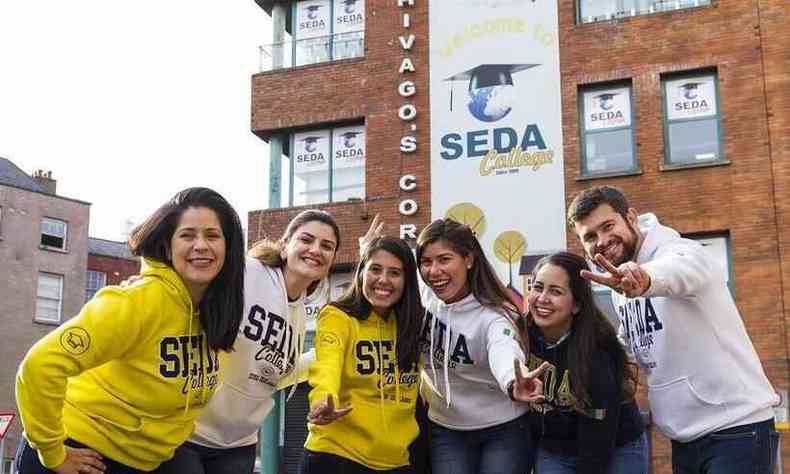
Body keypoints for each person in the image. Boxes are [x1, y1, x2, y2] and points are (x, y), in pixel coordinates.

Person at [15, 187, 246, 474]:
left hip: (143, 460)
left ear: (228, 246)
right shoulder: (139, 301)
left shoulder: (214, 312)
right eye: (187, 235)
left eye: (212, 235)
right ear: (168, 245)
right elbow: (39, 366)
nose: (201, 245)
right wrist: (52, 453)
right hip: (81, 453)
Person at [568, 185, 779, 474]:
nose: (602, 241)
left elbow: (682, 269)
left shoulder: (678, 251)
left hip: (737, 430)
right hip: (684, 438)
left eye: (607, 226)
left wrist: (645, 278)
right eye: (590, 236)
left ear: (630, 217)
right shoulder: (618, 283)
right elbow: (632, 345)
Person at [155, 210, 340, 474]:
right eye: (306, 240)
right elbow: (186, 276)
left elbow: (275, 371)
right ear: (286, 245)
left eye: (326, 246)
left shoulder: (299, 313)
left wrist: (317, 359)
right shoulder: (247, 272)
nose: (315, 250)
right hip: (187, 431)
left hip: (237, 444)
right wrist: (150, 282)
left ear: (332, 259)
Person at [414, 218, 548, 474]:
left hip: (504, 428)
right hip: (446, 428)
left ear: (469, 259)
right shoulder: (424, 295)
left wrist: (512, 380)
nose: (433, 271)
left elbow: (503, 347)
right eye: (426, 262)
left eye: (444, 259)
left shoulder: (495, 314)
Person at [299, 236, 423, 473]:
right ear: (361, 273)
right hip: (336, 456)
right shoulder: (337, 316)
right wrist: (322, 399)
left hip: (397, 462)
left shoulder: (414, 323)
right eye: (375, 269)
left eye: (394, 273)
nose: (383, 280)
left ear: (407, 280)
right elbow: (327, 365)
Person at [525, 251, 647, 474]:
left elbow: (598, 437)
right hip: (555, 449)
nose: (542, 298)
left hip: (615, 446)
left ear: (576, 305)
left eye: (555, 291)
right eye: (537, 287)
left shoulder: (596, 353)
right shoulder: (519, 337)